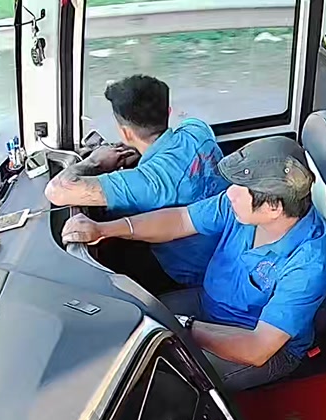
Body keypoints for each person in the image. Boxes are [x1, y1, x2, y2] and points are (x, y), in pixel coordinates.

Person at [62, 136, 326, 392]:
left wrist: (182, 327)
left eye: (241, 190)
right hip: (208, 303)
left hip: (258, 344)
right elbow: (181, 219)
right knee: (128, 321)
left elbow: (258, 348)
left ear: (273, 207)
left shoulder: (309, 264)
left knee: (155, 376)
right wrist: (105, 229)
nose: (230, 193)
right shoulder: (239, 205)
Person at [45, 74, 228, 289]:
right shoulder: (197, 130)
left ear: (125, 132)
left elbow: (56, 191)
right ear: (168, 112)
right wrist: (140, 151)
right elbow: (181, 134)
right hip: (225, 245)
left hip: (189, 272)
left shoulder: (148, 181)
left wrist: (95, 161)